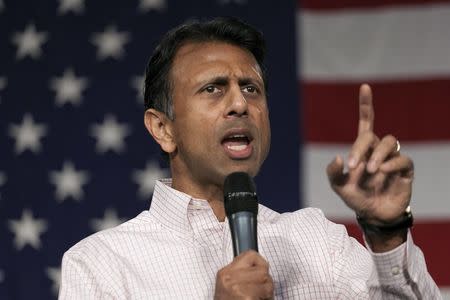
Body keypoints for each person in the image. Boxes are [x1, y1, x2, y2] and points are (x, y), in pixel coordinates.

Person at [59, 17, 441, 299]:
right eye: (213, 88)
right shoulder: (101, 264)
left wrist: (387, 233)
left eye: (251, 88)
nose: (240, 103)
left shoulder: (316, 240)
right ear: (163, 129)